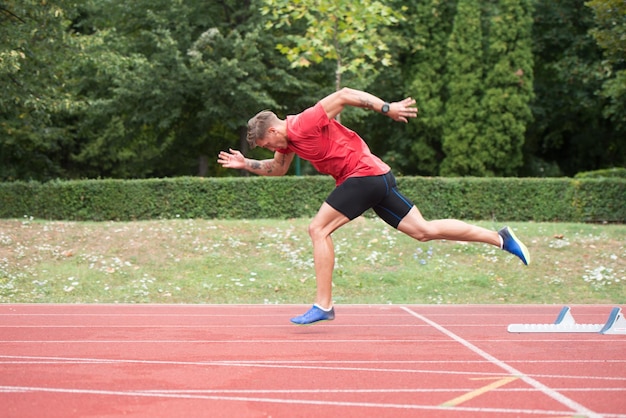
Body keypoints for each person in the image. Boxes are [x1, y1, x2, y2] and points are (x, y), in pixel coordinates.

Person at [217, 87, 530, 325]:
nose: (271, 150)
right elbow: (278, 169)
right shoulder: (289, 144)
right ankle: (501, 238)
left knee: (318, 229)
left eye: (267, 145)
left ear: (272, 131)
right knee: (424, 231)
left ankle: (324, 305)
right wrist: (247, 163)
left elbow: (343, 95)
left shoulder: (303, 123)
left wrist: (387, 107)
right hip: (376, 177)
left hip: (363, 176)